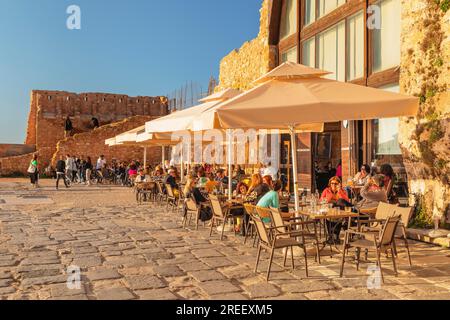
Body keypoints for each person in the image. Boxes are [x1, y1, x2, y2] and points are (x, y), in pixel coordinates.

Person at [320, 177, 352, 244]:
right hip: (329, 210)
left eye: (335, 183)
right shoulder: (326, 190)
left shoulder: (342, 191)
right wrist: (332, 196)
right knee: (328, 216)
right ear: (330, 183)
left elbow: (346, 201)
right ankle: (331, 237)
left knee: (340, 202)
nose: (333, 185)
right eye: (332, 183)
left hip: (340, 212)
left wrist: (339, 191)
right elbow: (322, 200)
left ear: (338, 184)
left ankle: (336, 237)